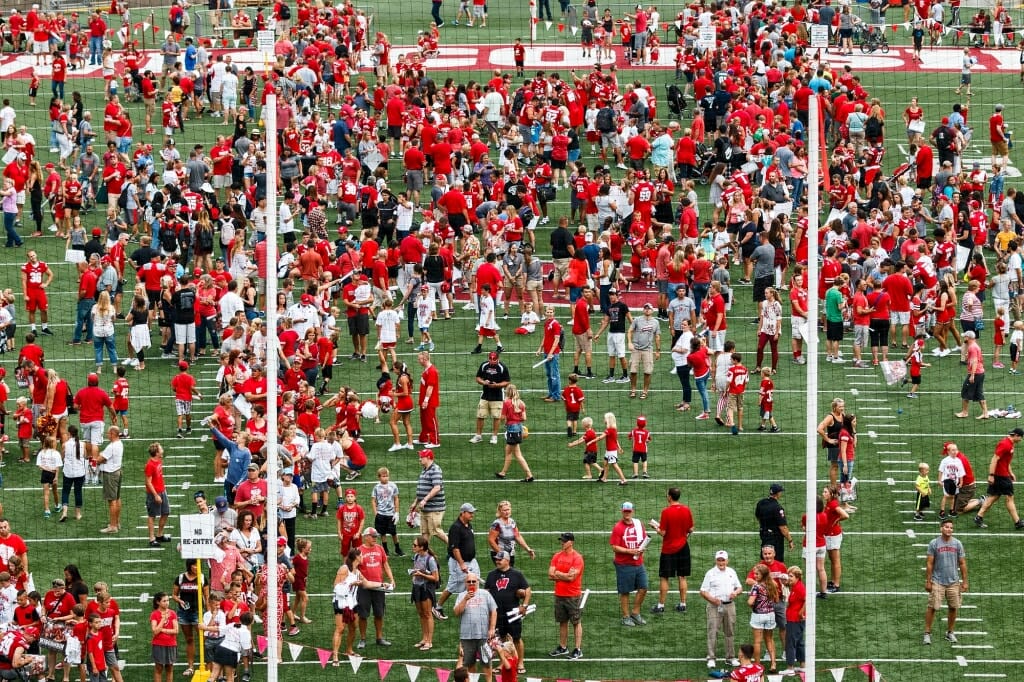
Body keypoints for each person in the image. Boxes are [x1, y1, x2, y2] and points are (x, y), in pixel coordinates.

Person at [484, 550, 531, 675]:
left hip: (512, 613)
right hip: (497, 614)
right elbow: (487, 593)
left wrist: (524, 606)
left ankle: (520, 662)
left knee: (516, 638)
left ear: (507, 560)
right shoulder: (491, 575)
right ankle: (503, 662)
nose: (497, 561)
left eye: (500, 559)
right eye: (496, 559)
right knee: (502, 639)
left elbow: (527, 590)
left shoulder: (517, 574)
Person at [923, 519, 968, 645]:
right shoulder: (934, 543)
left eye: (951, 527)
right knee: (932, 607)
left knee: (953, 607)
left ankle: (950, 632)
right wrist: (928, 581)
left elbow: (963, 563)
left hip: (953, 581)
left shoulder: (957, 543)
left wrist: (965, 581)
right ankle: (927, 633)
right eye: (947, 527)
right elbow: (929, 563)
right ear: (941, 528)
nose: (949, 529)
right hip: (938, 581)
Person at [650, 487, 693, 614]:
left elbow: (663, 533)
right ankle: (683, 604)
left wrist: (655, 528)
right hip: (684, 547)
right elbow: (690, 529)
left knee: (664, 578)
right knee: (682, 576)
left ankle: (661, 605)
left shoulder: (666, 512)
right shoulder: (686, 510)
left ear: (669, 497)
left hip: (669, 549)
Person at [434, 503, 478, 622]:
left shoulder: (468, 524)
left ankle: (470, 606)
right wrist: (462, 563)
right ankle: (437, 606)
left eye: (473, 512)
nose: (472, 515)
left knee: (474, 582)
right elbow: (455, 548)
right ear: (462, 513)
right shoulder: (456, 527)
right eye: (470, 512)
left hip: (472, 561)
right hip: (459, 562)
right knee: (453, 586)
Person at [699, 550, 742, 669]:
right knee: (713, 631)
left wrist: (736, 593)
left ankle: (730, 657)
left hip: (730, 605)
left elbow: (739, 587)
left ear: (727, 561)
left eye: (723, 560)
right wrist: (713, 599)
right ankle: (711, 657)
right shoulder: (710, 573)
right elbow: (703, 591)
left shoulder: (732, 572)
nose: (721, 562)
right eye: (719, 560)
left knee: (730, 631)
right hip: (714, 606)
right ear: (715, 560)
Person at [973, 428, 1024, 529]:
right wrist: (991, 475)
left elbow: (1004, 461)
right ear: (1017, 436)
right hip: (1001, 476)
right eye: (1021, 437)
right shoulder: (1005, 444)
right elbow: (994, 458)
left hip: (1002, 475)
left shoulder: (1010, 444)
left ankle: (978, 517)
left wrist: (1011, 472)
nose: (1021, 440)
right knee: (1009, 498)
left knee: (993, 497)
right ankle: (1017, 522)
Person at [354, 527, 395, 649]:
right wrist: (362, 580)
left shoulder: (380, 548)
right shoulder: (358, 551)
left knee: (379, 613)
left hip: (378, 587)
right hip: (364, 588)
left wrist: (392, 579)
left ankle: (379, 638)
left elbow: (385, 564)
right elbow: (354, 568)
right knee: (363, 614)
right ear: (366, 536)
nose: (375, 538)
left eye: (376, 536)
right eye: (373, 536)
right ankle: (362, 639)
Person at [453, 572, 498, 682]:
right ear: (465, 583)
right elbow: (456, 612)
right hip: (467, 636)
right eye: (469, 581)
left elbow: (494, 611)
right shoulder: (461, 595)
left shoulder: (485, 594)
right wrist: (465, 599)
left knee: (487, 663)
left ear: (478, 582)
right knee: (468, 664)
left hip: (484, 636)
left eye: (474, 581)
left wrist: (492, 628)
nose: (472, 583)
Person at [610, 500, 649, 626]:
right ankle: (626, 616)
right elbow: (615, 547)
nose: (627, 513)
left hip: (638, 562)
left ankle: (635, 613)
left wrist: (643, 547)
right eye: (625, 511)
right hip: (624, 563)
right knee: (625, 591)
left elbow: (643, 539)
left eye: (629, 511)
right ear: (622, 511)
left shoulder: (639, 524)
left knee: (643, 587)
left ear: (632, 511)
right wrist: (630, 551)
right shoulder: (618, 527)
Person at [547, 531, 584, 661]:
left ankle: (578, 649)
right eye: (561, 540)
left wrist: (558, 574)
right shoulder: (557, 556)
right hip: (559, 594)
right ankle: (563, 647)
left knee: (576, 622)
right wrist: (564, 575)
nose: (562, 542)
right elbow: (550, 575)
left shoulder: (577, 558)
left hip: (573, 595)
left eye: (565, 540)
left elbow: (572, 577)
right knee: (562, 621)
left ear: (571, 542)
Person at [410, 448, 447, 551]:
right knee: (425, 533)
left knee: (436, 531)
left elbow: (437, 487)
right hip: (425, 508)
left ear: (429, 457)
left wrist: (425, 500)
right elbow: (422, 489)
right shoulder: (425, 470)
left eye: (422, 457)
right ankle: (423, 552)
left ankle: (454, 548)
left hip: (434, 508)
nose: (420, 459)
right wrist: (415, 502)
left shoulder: (435, 469)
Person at [471, 351, 511, 445]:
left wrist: (497, 385)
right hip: (485, 395)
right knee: (480, 416)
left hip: (497, 396)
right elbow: (477, 378)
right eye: (490, 359)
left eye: (494, 359)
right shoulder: (484, 365)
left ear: (498, 359)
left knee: (496, 417)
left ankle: (494, 436)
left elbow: (507, 382)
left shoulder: (502, 367)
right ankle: (478, 436)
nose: (492, 361)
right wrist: (483, 382)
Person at [746, 563, 780, 673]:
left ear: (763, 575)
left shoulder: (756, 586)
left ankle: (757, 665)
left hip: (758, 615)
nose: (754, 576)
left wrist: (753, 605)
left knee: (757, 642)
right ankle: (773, 663)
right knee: (769, 639)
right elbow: (776, 600)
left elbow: (750, 602)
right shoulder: (773, 584)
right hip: (770, 615)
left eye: (757, 574)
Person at [496, 384, 533, 481]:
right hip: (518, 429)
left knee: (517, 454)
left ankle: (529, 475)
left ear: (507, 392)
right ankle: (503, 472)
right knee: (508, 451)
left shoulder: (506, 403)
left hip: (512, 430)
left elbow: (502, 417)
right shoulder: (521, 403)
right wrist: (516, 417)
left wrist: (505, 416)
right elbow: (524, 418)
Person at [410, 536, 440, 651]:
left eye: (415, 545)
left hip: (426, 589)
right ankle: (424, 638)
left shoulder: (430, 560)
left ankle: (429, 641)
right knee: (421, 614)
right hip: (417, 587)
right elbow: (416, 569)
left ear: (422, 547)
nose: (413, 547)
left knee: (427, 614)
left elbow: (435, 578)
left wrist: (422, 575)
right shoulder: (417, 556)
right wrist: (414, 574)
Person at [627, 303, 661, 399]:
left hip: (648, 350)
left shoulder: (656, 322)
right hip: (636, 349)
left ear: (652, 311)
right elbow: (630, 331)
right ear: (643, 310)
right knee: (633, 371)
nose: (647, 310)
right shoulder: (637, 320)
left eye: (649, 308)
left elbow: (657, 336)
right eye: (645, 308)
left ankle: (645, 391)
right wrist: (629, 343)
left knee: (648, 372)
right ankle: (633, 390)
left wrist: (658, 350)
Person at [755, 483, 794, 561]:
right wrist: (790, 540)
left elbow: (757, 516)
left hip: (764, 535)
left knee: (765, 560)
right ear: (778, 493)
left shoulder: (761, 503)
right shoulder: (777, 508)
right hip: (775, 539)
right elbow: (783, 528)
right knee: (776, 562)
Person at [955, 331, 988, 419]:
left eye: (964, 337)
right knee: (979, 393)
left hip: (975, 373)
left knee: (965, 392)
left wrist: (972, 375)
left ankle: (964, 412)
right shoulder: (974, 345)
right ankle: (985, 413)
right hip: (980, 372)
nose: (963, 338)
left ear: (968, 338)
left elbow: (974, 361)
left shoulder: (972, 347)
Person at [97, 426, 124, 534]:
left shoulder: (111, 447)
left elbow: (99, 459)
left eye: (108, 433)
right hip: (117, 471)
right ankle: (116, 522)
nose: (107, 435)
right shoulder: (120, 443)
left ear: (113, 434)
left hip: (110, 474)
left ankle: (113, 526)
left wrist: (101, 459)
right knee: (117, 498)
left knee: (112, 501)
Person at [144, 442, 171, 548]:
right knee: (152, 516)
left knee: (166, 512)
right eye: (161, 449)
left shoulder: (159, 460)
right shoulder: (150, 465)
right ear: (156, 452)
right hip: (153, 494)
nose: (162, 450)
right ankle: (151, 539)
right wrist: (155, 495)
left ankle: (159, 535)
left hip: (162, 491)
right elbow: (148, 482)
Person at [782, 565, 806, 677]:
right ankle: (803, 666)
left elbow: (807, 599)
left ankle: (790, 667)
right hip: (796, 619)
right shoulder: (796, 585)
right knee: (800, 642)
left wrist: (801, 611)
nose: (789, 578)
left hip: (795, 619)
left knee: (790, 643)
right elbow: (787, 584)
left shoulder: (799, 588)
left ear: (797, 577)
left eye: (791, 576)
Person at [149, 592, 178, 682]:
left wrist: (162, 630)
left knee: (169, 668)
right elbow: (155, 631)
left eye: (168, 600)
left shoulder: (173, 613)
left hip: (171, 644)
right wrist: (163, 620)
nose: (167, 603)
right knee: (158, 668)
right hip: (158, 644)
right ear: (158, 602)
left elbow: (176, 631)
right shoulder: (154, 614)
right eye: (164, 601)